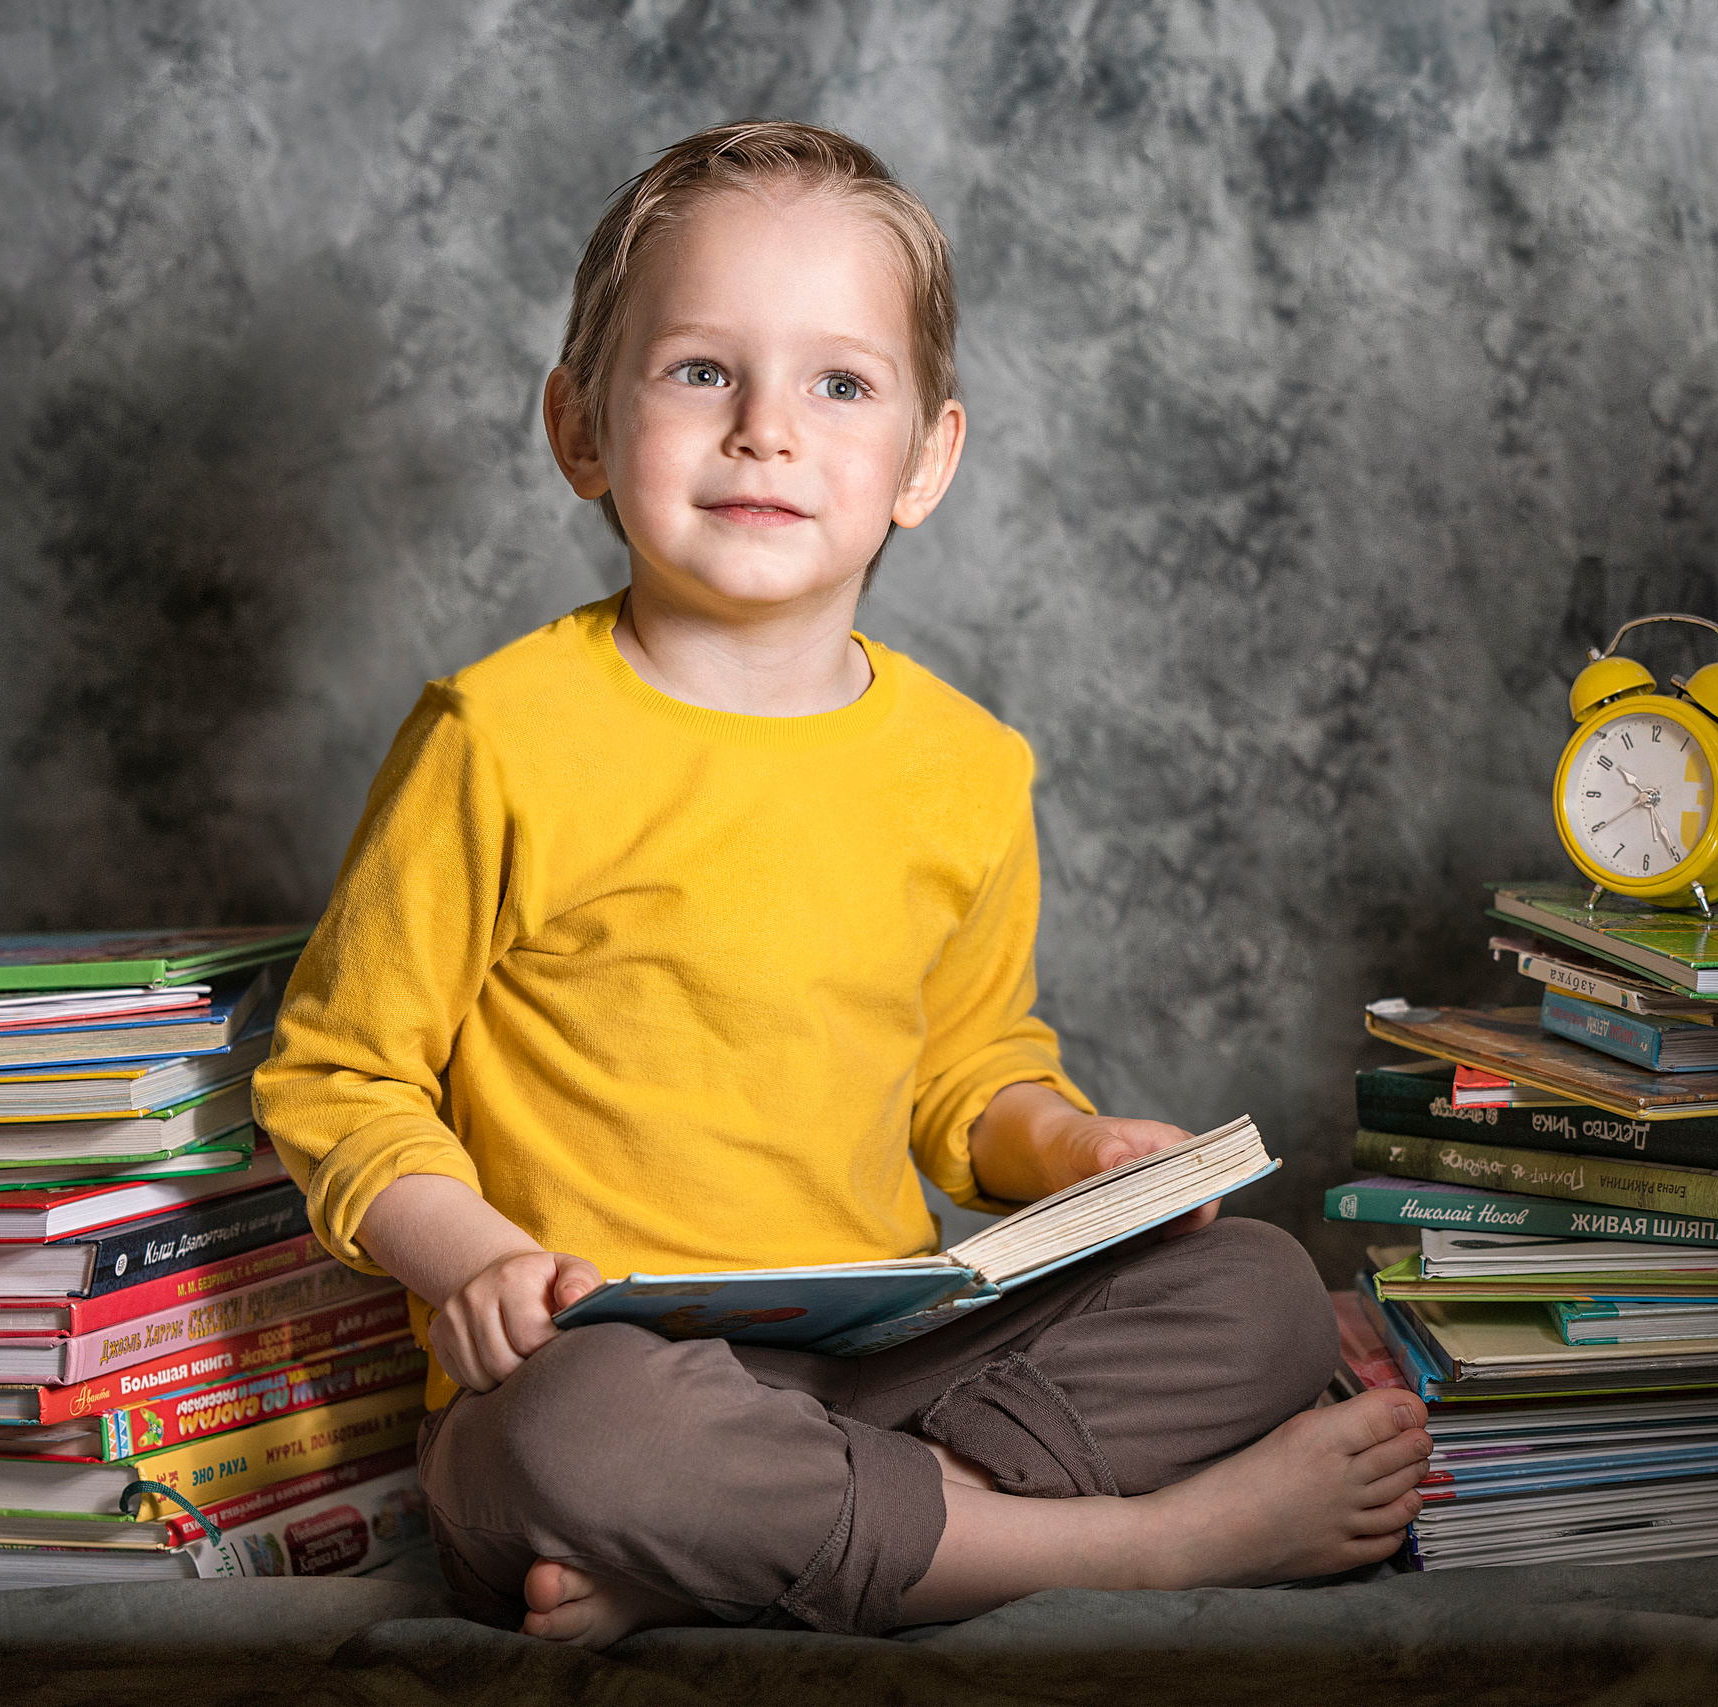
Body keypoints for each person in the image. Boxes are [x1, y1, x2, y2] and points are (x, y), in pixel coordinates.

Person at [252, 119, 1431, 1650]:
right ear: (580, 428)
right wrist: (475, 1261)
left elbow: (968, 1078)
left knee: (1260, 1290)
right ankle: (1134, 1546)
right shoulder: (499, 740)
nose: (766, 430)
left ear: (924, 460)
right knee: (569, 1441)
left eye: (841, 384)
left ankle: (730, 1560)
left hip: (889, 1364)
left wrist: (1073, 1150)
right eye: (700, 371)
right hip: (602, 1383)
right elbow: (338, 1080)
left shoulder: (965, 764)